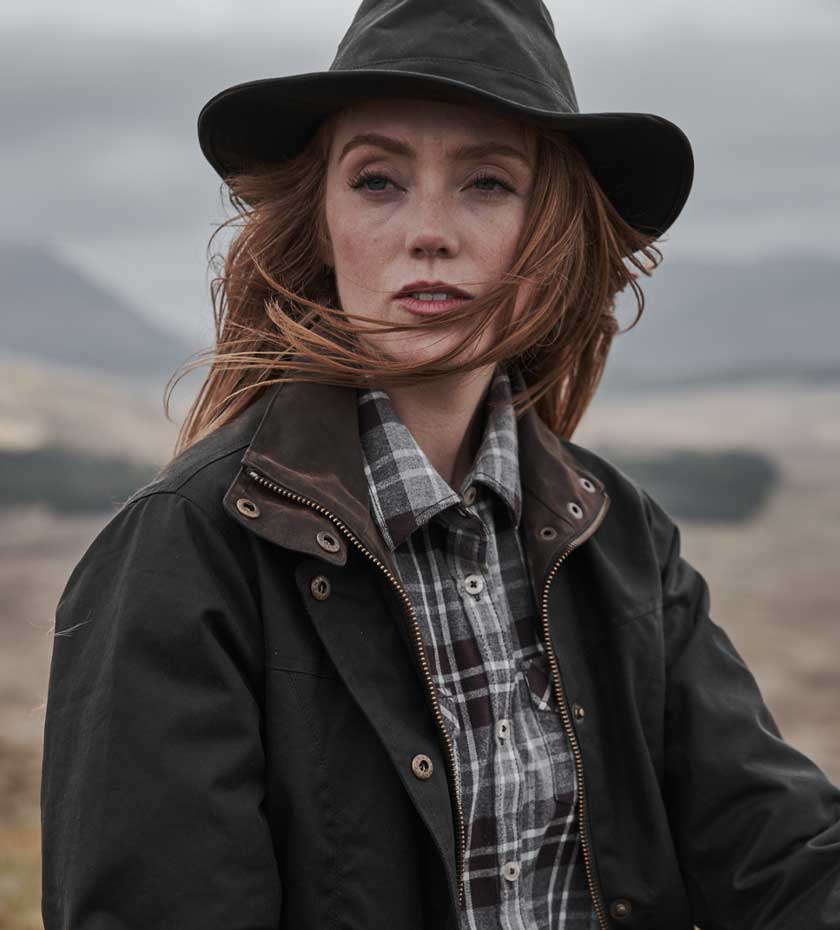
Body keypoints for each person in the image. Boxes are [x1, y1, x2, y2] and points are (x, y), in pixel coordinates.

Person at [40, 1, 840, 928]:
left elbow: (780, 853)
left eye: (488, 184)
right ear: (321, 224)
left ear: (554, 233)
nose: (430, 231)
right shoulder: (184, 552)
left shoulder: (622, 539)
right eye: (377, 181)